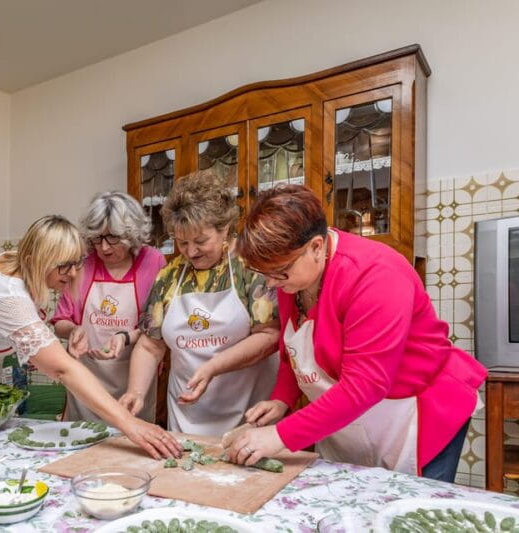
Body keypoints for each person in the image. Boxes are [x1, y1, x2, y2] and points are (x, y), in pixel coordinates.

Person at [227, 184, 486, 482]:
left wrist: (280, 435)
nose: (271, 284)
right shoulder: (293, 279)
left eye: (280, 272)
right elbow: (295, 352)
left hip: (414, 412)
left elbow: (366, 385)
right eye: (265, 274)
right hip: (353, 416)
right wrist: (281, 399)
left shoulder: (375, 275)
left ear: (316, 247)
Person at [0, 215, 181, 459]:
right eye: (64, 266)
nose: (73, 274)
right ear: (37, 259)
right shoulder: (7, 296)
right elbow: (62, 368)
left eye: (76, 263)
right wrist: (129, 424)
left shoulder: (16, 260)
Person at [119, 171, 280, 436]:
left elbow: (270, 335)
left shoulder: (252, 269)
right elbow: (150, 345)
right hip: (187, 413)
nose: (191, 252)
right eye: (182, 242)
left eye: (201, 241)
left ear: (224, 228)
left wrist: (212, 367)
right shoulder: (169, 277)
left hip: (248, 412)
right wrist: (135, 391)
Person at [52, 192, 166, 422]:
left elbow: (156, 325)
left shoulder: (153, 261)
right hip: (86, 378)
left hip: (134, 379)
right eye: (97, 238)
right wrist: (74, 330)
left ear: (131, 235)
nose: (103, 248)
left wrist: (125, 337)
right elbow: (60, 321)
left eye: (113, 238)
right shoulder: (84, 262)